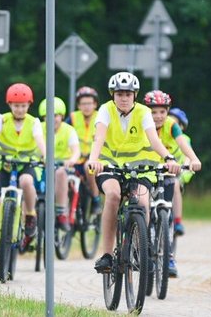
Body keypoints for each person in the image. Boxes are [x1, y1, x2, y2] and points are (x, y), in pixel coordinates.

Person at [85, 72, 181, 273]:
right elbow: (99, 137)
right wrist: (93, 159)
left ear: (135, 95)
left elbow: (154, 141)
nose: (124, 98)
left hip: (139, 168)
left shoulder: (144, 112)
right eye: (119, 93)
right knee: (113, 195)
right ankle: (107, 255)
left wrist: (169, 158)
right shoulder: (105, 110)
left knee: (143, 203)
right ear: (113, 94)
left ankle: (139, 246)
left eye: (128, 93)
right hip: (109, 166)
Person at [0, 83, 46, 262]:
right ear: (9, 105)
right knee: (0, 202)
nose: (20, 109)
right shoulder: (2, 119)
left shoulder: (34, 122)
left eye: (23, 106)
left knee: (26, 182)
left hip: (26, 166)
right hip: (6, 167)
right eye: (16, 106)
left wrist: (46, 156)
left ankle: (30, 215)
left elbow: (40, 140)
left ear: (29, 105)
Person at [143, 91, 202, 277]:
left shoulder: (172, 126)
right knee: (139, 206)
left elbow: (183, 144)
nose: (158, 116)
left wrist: (193, 159)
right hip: (145, 170)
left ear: (167, 112)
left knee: (165, 211)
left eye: (162, 111)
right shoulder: (142, 124)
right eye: (154, 112)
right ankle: (139, 244)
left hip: (167, 172)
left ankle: (168, 256)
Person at [38, 97, 81, 231]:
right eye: (47, 116)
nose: (52, 119)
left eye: (55, 116)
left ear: (62, 116)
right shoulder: (38, 128)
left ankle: (61, 212)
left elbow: (76, 150)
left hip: (62, 166)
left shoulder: (69, 130)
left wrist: (72, 160)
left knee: (60, 173)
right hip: (41, 165)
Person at [66, 86, 102, 215]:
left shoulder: (101, 118)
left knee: (89, 167)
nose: (86, 106)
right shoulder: (73, 118)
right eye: (83, 103)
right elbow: (64, 134)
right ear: (78, 105)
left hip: (94, 160)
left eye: (89, 103)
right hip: (75, 159)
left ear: (95, 104)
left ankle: (96, 199)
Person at [168, 107, 195, 235]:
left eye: (175, 124)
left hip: (177, 173)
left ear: (181, 127)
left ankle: (177, 221)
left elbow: (188, 158)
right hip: (159, 171)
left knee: (175, 185)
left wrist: (184, 172)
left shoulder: (184, 139)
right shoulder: (160, 134)